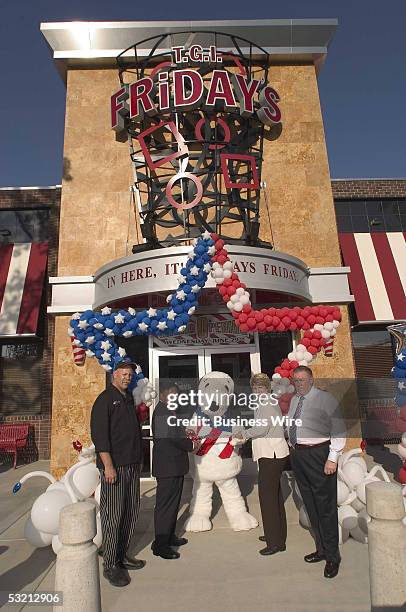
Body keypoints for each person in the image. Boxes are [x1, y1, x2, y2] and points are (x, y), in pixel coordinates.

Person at [287, 365, 346, 579]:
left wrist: (333, 458)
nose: (299, 383)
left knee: (325, 507)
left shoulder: (325, 399)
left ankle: (333, 557)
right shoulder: (295, 400)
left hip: (319, 455)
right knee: (310, 505)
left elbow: (339, 428)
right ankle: (321, 549)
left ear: (311, 380)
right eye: (296, 380)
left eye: (303, 380)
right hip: (299, 455)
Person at [90, 360, 145, 587]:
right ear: (114, 374)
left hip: (132, 465)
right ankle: (110, 564)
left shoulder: (127, 398)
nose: (127, 377)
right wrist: (109, 466)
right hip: (115, 467)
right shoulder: (105, 399)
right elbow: (100, 436)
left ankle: (121, 555)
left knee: (130, 512)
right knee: (113, 516)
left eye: (130, 375)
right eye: (123, 374)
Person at [233, 373, 289, 556]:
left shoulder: (266, 403)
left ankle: (274, 542)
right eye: (255, 388)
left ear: (268, 388)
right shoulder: (266, 403)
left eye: (261, 388)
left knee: (267, 498)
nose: (257, 391)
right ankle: (276, 536)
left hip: (271, 455)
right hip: (272, 454)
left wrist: (244, 434)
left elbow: (262, 428)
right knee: (275, 496)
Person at [151, 381, 199, 559]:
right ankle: (160, 545)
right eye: (172, 395)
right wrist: (192, 444)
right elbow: (172, 437)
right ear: (163, 395)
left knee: (173, 505)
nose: (175, 398)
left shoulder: (170, 411)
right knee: (165, 506)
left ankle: (169, 536)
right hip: (167, 467)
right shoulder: (162, 412)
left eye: (177, 395)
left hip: (175, 466)